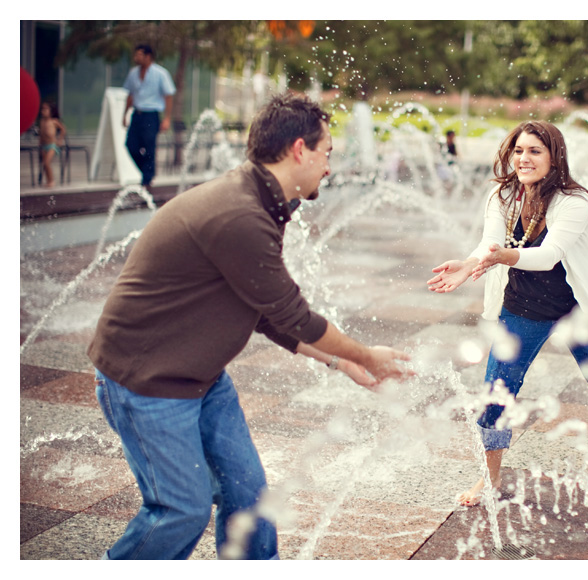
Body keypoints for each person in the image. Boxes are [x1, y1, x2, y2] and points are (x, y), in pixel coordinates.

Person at [88, 92, 412, 560]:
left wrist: (339, 361)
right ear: (299, 149)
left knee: (249, 494)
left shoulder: (261, 199)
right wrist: (364, 355)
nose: (328, 166)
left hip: (200, 377)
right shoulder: (239, 214)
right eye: (327, 153)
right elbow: (293, 314)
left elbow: (262, 310)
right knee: (180, 511)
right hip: (147, 383)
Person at [427, 120, 588, 506]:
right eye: (519, 150)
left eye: (535, 151)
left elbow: (549, 254)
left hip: (576, 310)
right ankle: (488, 482)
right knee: (496, 395)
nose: (524, 158)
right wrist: (471, 262)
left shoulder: (574, 200)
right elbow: (489, 242)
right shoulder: (502, 196)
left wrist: (501, 257)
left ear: (554, 157)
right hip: (522, 307)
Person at [122, 43, 175, 188]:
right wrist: (124, 114)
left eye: (139, 55)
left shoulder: (160, 73)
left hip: (151, 115)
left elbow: (168, 96)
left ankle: (147, 180)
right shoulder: (133, 73)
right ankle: (147, 172)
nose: (136, 58)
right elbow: (130, 95)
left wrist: (167, 118)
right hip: (137, 114)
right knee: (130, 145)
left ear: (148, 56)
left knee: (149, 147)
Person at [38, 102, 65, 188]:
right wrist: (40, 143)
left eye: (46, 109)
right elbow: (41, 134)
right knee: (44, 164)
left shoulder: (54, 121)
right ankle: (48, 180)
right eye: (42, 109)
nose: (43, 111)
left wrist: (60, 140)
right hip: (44, 146)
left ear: (51, 111)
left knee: (47, 163)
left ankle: (51, 181)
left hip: (52, 146)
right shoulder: (41, 121)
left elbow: (63, 130)